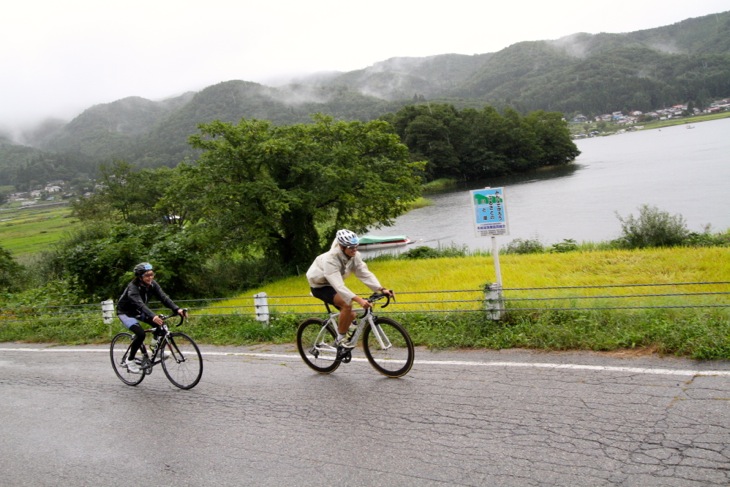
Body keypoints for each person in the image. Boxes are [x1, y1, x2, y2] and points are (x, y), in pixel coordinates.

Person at [306, 229, 393, 348]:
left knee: (351, 315)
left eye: (356, 246)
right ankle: (339, 340)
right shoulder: (330, 259)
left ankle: (345, 337)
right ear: (341, 247)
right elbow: (339, 286)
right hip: (320, 286)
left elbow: (363, 273)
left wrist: (381, 289)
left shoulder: (354, 255)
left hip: (334, 283)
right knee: (347, 304)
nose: (354, 249)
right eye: (351, 247)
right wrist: (360, 300)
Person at [116, 262, 187, 373]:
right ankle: (130, 360)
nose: (150, 278)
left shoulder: (152, 284)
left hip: (138, 311)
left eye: (151, 274)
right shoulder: (133, 288)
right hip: (126, 313)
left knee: (161, 325)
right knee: (140, 334)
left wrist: (177, 309)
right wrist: (153, 316)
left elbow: (164, 298)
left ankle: (154, 348)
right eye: (147, 275)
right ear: (140, 277)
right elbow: (140, 304)